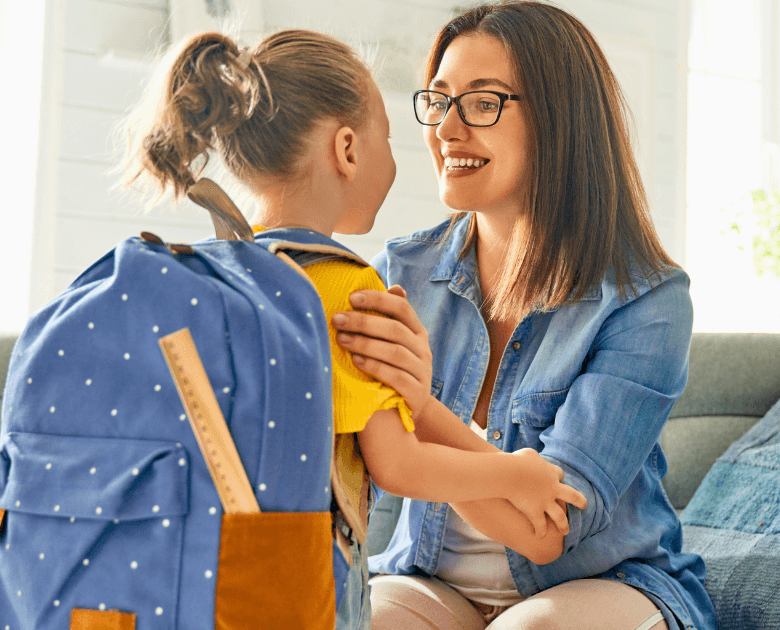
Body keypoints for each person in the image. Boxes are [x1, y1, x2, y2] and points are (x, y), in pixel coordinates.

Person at [119, 28, 585, 630]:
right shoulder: (343, 286)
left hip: (210, 573)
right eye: (386, 139)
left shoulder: (216, 274)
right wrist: (514, 471)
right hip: (303, 583)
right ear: (347, 151)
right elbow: (398, 465)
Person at [328, 3, 718, 629]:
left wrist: (421, 408)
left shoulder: (648, 300)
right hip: (431, 582)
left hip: (603, 584)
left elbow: (551, 530)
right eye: (440, 99)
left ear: (560, 121)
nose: (447, 130)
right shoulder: (398, 275)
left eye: (482, 103)